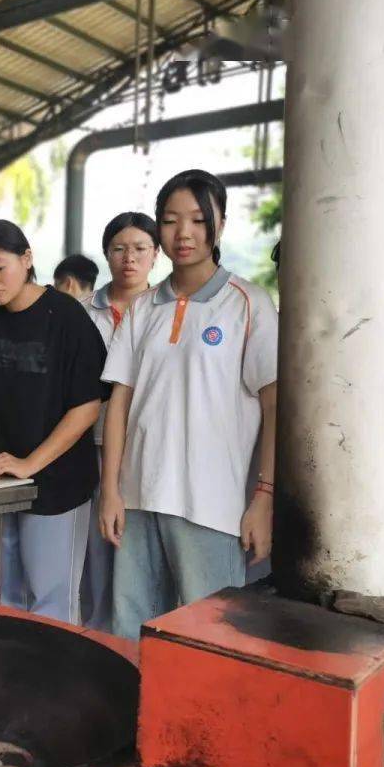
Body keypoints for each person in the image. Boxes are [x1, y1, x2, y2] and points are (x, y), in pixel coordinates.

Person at [99, 169, 277, 640]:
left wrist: (264, 497)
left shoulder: (249, 304)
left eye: (199, 220)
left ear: (220, 223)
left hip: (212, 504)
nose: (184, 233)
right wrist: (111, 489)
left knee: (213, 640)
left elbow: (275, 406)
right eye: (171, 220)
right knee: (131, 632)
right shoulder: (143, 308)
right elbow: (120, 401)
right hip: (138, 498)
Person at [0, 220, 106, 622]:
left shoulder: (68, 318)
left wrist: (31, 463)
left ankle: (53, 684)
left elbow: (88, 405)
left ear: (27, 258)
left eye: (0, 268)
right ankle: (8, 680)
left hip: (55, 483)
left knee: (50, 602)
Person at [78, 212, 159, 631]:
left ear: (156, 254)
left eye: (140, 248)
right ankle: (97, 633)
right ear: (107, 254)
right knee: (97, 549)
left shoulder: (164, 310)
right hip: (92, 443)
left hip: (149, 448)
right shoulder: (82, 312)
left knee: (141, 551)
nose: (130, 258)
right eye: (119, 249)